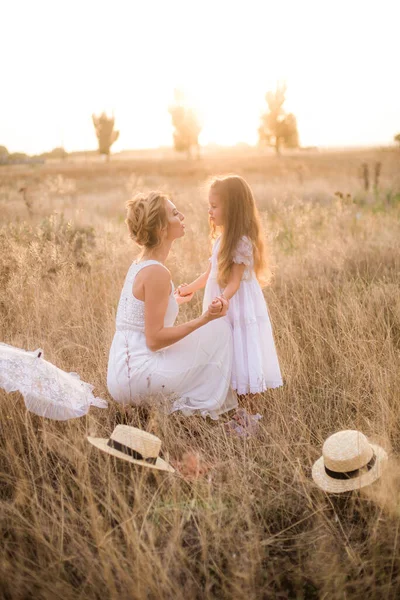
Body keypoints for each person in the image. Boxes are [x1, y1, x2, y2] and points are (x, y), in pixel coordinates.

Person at [107, 191, 237, 419]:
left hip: (122, 374)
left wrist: (174, 301)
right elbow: (155, 340)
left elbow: (139, 316)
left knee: (210, 332)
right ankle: (198, 408)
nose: (183, 217)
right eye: (175, 214)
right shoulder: (157, 272)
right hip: (138, 376)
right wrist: (205, 319)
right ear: (161, 228)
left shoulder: (140, 264)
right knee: (219, 330)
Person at [177, 175, 282, 397]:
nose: (210, 211)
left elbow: (235, 281)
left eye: (214, 206)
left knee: (242, 350)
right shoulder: (220, 240)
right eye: (209, 206)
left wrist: (223, 299)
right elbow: (210, 273)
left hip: (237, 304)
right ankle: (231, 402)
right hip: (222, 302)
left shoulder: (241, 242)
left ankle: (250, 411)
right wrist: (191, 289)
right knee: (225, 349)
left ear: (233, 208)